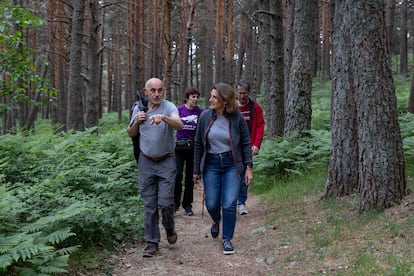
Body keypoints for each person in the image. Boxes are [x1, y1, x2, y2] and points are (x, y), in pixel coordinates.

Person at [193, 82, 253, 255]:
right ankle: (215, 220)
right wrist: (196, 170)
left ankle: (227, 239)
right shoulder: (205, 117)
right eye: (211, 96)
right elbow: (198, 143)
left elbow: (245, 142)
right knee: (212, 203)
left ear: (225, 101)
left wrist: (248, 167)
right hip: (211, 164)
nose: (210, 100)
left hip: (232, 164)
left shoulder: (237, 117)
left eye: (214, 97)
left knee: (228, 203)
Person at [127, 77, 183, 258]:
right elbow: (130, 133)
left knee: (166, 203)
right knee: (149, 205)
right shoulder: (138, 107)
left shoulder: (169, 107)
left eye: (160, 90)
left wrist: (164, 118)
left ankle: (169, 227)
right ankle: (152, 242)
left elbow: (180, 124)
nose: (157, 94)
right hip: (146, 162)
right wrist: (137, 121)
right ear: (146, 92)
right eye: (153, 90)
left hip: (167, 160)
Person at [236, 79, 265, 215]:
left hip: (247, 146)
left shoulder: (255, 108)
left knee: (245, 174)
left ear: (248, 93)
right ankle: (230, 200)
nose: (242, 96)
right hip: (232, 146)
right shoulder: (231, 107)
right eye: (240, 93)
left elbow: (260, 126)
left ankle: (241, 202)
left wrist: (256, 145)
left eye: (244, 93)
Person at [174, 87, 203, 216]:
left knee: (191, 178)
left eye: (197, 97)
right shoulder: (178, 110)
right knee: (177, 175)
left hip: (193, 148)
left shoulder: (200, 113)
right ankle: (174, 205)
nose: (195, 99)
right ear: (187, 97)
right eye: (193, 97)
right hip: (179, 148)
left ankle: (187, 205)